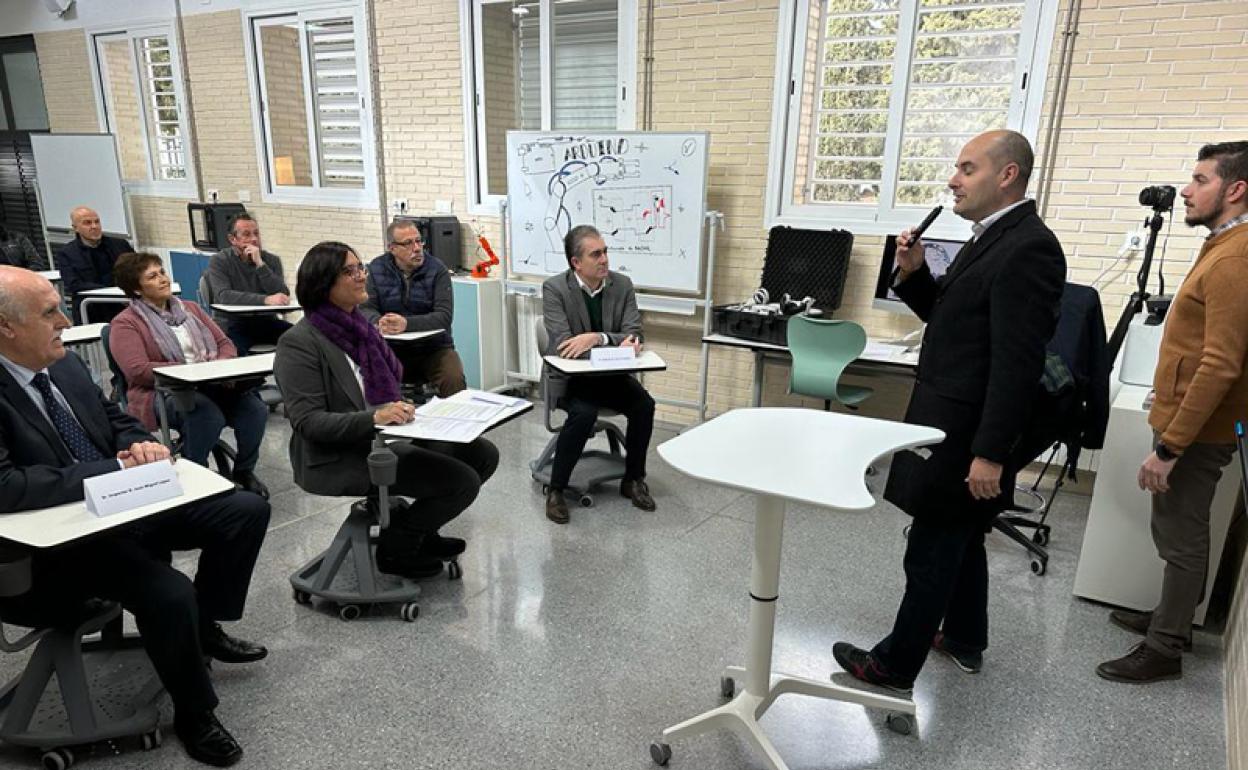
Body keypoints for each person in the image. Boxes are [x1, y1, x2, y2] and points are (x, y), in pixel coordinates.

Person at [0, 266, 270, 767]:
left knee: (244, 510)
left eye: (60, 307)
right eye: (49, 312)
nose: (64, 320)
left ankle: (203, 627)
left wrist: (138, 444)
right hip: (60, 541)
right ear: (6, 327)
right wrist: (109, 469)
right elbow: (6, 487)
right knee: (169, 592)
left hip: (120, 503)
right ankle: (195, 714)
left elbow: (116, 418)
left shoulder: (64, 366)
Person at [831, 130, 1065, 691]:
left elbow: (1015, 363)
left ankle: (892, 666)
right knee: (963, 535)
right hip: (950, 419)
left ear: (1007, 175)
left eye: (966, 168)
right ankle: (963, 636)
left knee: (932, 547)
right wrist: (912, 272)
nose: (952, 181)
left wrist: (990, 454)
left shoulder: (1028, 247)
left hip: (965, 433)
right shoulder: (991, 238)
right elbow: (954, 321)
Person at [1097, 141, 1248, 684]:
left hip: (1198, 433)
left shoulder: (1236, 258)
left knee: (1181, 538)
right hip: (1188, 421)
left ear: (1235, 190)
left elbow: (1221, 364)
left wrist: (1169, 447)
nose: (1186, 189)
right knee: (1175, 531)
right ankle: (1172, 618)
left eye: (1200, 179)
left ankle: (1165, 647)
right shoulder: (1223, 245)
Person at [274, 241, 498, 579]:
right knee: (461, 481)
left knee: (481, 454)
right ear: (323, 285)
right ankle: (399, 546)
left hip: (385, 437)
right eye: (349, 271)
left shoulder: (362, 330)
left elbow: (381, 393)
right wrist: (375, 418)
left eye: (360, 267)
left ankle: (420, 530)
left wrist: (399, 410)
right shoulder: (299, 343)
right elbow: (309, 423)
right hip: (340, 454)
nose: (361, 276)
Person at [107, 252, 270, 499]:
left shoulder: (191, 309)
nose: (163, 279)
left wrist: (217, 365)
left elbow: (225, 343)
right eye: (152, 276)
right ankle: (197, 475)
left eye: (162, 272)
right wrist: (187, 371)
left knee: (254, 409)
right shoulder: (126, 323)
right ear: (137, 289)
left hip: (212, 384)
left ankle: (244, 470)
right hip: (162, 392)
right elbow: (138, 370)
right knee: (205, 414)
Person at [541, 224, 657, 524]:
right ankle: (556, 489)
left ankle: (633, 479)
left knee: (644, 405)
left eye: (605, 252)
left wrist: (597, 338)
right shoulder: (555, 288)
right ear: (576, 263)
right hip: (572, 381)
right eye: (596, 254)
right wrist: (618, 344)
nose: (605, 259)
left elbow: (634, 333)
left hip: (612, 377)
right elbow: (564, 346)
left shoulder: (622, 284)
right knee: (583, 414)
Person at [361, 219, 467, 398]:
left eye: (419, 241)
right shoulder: (376, 269)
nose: (417, 248)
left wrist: (406, 324)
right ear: (392, 248)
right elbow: (365, 308)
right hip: (389, 348)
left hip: (433, 349)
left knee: (453, 377)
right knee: (365, 374)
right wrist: (378, 322)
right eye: (408, 243)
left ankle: (457, 423)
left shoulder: (437, 270)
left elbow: (443, 317)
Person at [205, 213, 292, 355]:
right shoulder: (219, 261)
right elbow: (224, 295)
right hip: (233, 324)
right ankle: (251, 378)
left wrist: (260, 264)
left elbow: (282, 294)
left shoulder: (271, 260)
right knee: (235, 351)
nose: (254, 239)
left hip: (266, 322)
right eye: (247, 234)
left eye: (256, 233)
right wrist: (265, 300)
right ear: (232, 239)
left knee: (301, 340)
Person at [54, 206, 133, 323]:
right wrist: (109, 293)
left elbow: (138, 270)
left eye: (97, 222)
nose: (94, 226)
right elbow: (73, 284)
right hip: (91, 308)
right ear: (75, 228)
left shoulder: (120, 245)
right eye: (87, 223)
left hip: (124, 304)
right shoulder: (67, 253)